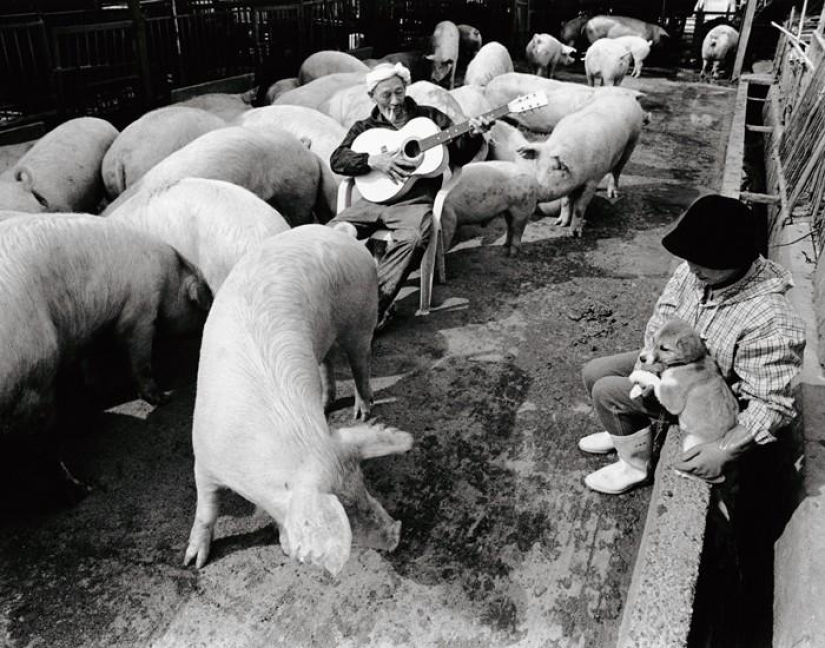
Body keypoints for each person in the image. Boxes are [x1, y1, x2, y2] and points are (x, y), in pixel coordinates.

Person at [578, 194, 806, 495]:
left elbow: (771, 404)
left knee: (606, 391)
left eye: (705, 264)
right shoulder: (696, 269)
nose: (693, 269)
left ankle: (633, 465)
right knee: (595, 371)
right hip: (678, 364)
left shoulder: (771, 320)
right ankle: (623, 427)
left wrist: (725, 449)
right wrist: (647, 364)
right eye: (691, 260)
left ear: (738, 258)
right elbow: (664, 315)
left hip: (707, 397)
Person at [327, 62, 492, 331]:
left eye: (399, 92)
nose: (395, 101)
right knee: (328, 234)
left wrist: (473, 135)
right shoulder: (364, 128)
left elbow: (459, 155)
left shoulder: (430, 119)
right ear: (372, 97)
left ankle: (373, 305)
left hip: (414, 204)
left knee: (414, 238)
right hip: (370, 202)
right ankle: (331, 299)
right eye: (386, 95)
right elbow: (338, 159)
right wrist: (372, 160)